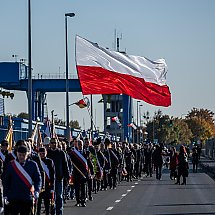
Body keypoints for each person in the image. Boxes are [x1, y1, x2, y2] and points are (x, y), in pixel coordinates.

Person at [3, 145, 42, 215]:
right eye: (20, 155)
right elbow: (6, 181)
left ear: (27, 154)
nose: (21, 157)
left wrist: (37, 190)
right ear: (17, 154)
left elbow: (38, 179)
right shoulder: (11, 164)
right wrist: (5, 194)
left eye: (23, 155)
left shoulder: (33, 165)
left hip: (27, 198)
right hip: (13, 198)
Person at [47, 137, 70, 215]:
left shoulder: (61, 153)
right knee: (51, 198)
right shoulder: (47, 152)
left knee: (59, 196)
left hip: (59, 178)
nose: (54, 144)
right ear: (49, 144)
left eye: (55, 143)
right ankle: (52, 212)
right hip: (49, 180)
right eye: (52, 143)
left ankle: (59, 212)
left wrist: (67, 176)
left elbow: (65, 165)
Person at [37, 147, 55, 215]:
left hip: (48, 184)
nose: (42, 155)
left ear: (46, 153)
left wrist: (52, 185)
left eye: (43, 153)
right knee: (38, 203)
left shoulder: (50, 161)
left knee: (47, 203)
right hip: (39, 184)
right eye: (40, 154)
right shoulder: (36, 162)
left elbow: (52, 174)